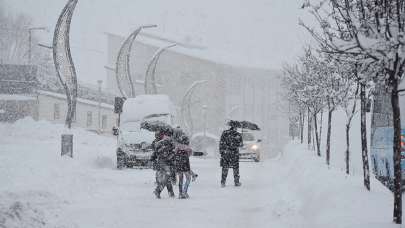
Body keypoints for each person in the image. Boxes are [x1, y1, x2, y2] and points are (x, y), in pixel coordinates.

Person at [150, 128, 176, 199]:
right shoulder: (166, 142)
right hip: (165, 162)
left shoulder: (157, 142)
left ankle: (171, 193)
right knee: (167, 177)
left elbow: (155, 153)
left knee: (167, 178)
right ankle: (158, 190)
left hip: (161, 162)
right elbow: (171, 151)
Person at [219, 122, 243, 187]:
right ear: (235, 127)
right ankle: (236, 182)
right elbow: (241, 145)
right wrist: (238, 141)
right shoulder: (238, 135)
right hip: (234, 154)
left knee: (225, 168)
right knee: (236, 168)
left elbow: (221, 143)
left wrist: (221, 152)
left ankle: (223, 182)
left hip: (226, 153)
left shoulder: (225, 133)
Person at [174, 134, 193, 199]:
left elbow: (175, 154)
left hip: (178, 165)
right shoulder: (188, 148)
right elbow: (190, 154)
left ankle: (180, 193)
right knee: (188, 178)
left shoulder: (177, 147)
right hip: (185, 165)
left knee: (180, 180)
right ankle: (184, 192)